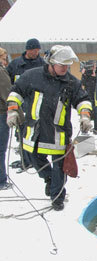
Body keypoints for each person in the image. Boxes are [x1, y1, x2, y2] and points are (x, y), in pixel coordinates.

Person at [6, 45, 92, 210]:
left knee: (59, 166)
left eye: (68, 66)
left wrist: (85, 115)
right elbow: (15, 93)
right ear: (51, 62)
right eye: (62, 65)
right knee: (34, 159)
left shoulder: (71, 82)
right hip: (34, 131)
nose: (65, 69)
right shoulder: (32, 76)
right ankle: (49, 179)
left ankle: (57, 197)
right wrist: (12, 111)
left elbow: (83, 100)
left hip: (57, 133)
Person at [6, 38, 45, 172]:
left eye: (38, 50)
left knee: (38, 135)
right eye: (34, 50)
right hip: (21, 106)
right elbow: (8, 85)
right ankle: (26, 161)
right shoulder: (15, 65)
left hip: (38, 106)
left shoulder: (42, 64)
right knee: (22, 135)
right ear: (27, 50)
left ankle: (37, 161)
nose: (36, 52)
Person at [0, 47, 12, 190]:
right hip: (2, 113)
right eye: (3, 58)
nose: (5, 61)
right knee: (0, 148)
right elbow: (7, 95)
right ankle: (1, 179)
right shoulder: (1, 73)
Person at [81, 60, 97, 133]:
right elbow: (83, 83)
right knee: (86, 112)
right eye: (93, 66)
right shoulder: (86, 74)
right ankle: (85, 129)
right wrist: (84, 75)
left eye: (94, 66)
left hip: (96, 95)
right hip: (88, 95)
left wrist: (95, 76)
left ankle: (96, 129)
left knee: (96, 113)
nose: (94, 67)